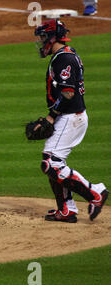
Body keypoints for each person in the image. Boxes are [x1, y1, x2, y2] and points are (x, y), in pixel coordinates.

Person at [34, 19, 108, 223]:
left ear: (52, 38)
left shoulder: (63, 58)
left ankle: (96, 192)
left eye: (43, 38)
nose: (41, 43)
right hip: (69, 116)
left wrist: (51, 116)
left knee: (51, 163)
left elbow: (68, 93)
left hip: (71, 117)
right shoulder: (64, 54)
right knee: (52, 162)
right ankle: (66, 209)